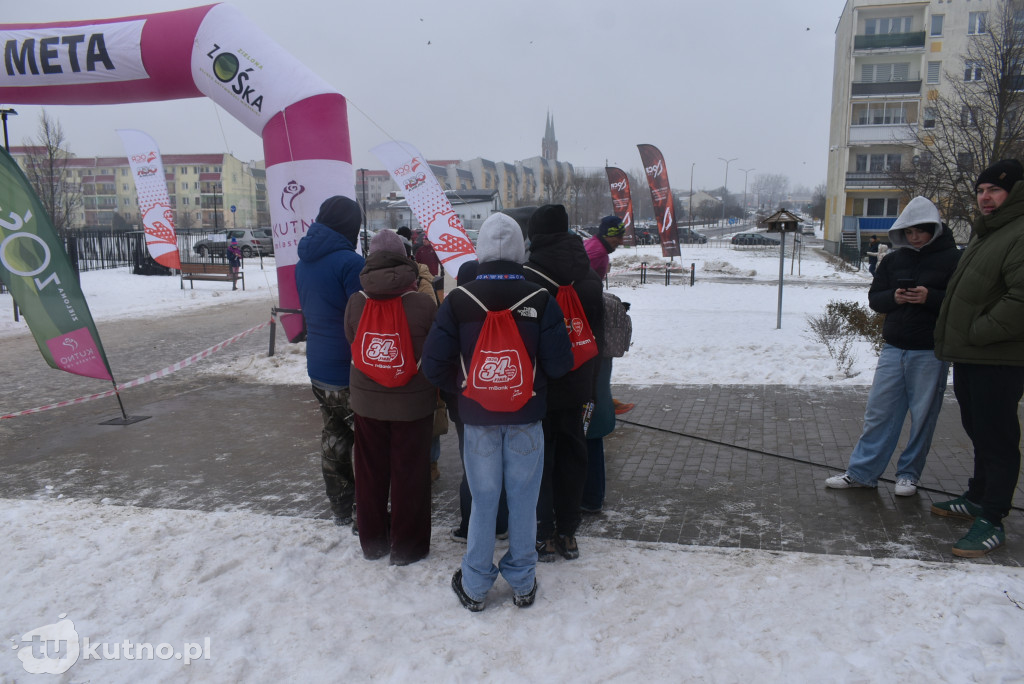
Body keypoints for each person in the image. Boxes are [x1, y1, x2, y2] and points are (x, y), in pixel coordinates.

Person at [422, 212, 573, 611]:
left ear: (482, 251)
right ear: (521, 249)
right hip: (527, 416)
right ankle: (523, 582)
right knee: (524, 499)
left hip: (478, 421)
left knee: (484, 500)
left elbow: (432, 365)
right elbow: (559, 364)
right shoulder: (541, 299)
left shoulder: (458, 299)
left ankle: (474, 585)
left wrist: (467, 388)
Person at [825, 196, 960, 497]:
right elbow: (876, 298)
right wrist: (895, 298)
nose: (914, 238)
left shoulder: (954, 259)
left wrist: (931, 297)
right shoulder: (894, 259)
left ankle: (908, 476)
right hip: (893, 348)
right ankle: (862, 473)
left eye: (920, 232)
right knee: (879, 413)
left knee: (923, 416)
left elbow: (961, 303)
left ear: (934, 229)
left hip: (930, 351)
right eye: (908, 233)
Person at [932, 158, 1024, 558]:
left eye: (995, 191)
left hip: (999, 357)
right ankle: (977, 496)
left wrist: (978, 332)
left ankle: (992, 518)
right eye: (981, 191)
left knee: (998, 437)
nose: (985, 198)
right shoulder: (991, 233)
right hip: (974, 356)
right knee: (979, 430)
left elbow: (1020, 298)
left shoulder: (1019, 232)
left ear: (1015, 193)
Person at [344, 229, 437, 564]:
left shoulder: (356, 302)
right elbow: (434, 349)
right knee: (409, 473)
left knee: (369, 473)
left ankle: (372, 541)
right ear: (405, 259)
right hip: (413, 405)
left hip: (368, 403)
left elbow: (352, 341)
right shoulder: (423, 304)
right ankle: (406, 546)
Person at [524, 204, 604, 561]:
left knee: (540, 460)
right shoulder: (588, 276)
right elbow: (596, 337)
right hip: (579, 383)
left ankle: (543, 534)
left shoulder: (527, 278)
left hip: (541, 385)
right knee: (574, 455)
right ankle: (569, 532)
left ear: (535, 234)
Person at [295, 196, 365, 527]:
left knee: (333, 435)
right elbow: (363, 320)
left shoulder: (303, 261)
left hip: (318, 368)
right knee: (368, 442)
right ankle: (368, 511)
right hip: (347, 370)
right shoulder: (350, 264)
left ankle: (340, 506)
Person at [584, 215, 634, 416]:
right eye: (618, 238)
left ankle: (604, 398)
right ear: (607, 235)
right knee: (601, 362)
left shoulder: (593, 245)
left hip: (587, 314)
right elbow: (585, 289)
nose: (621, 242)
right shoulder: (598, 254)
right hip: (588, 321)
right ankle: (602, 406)